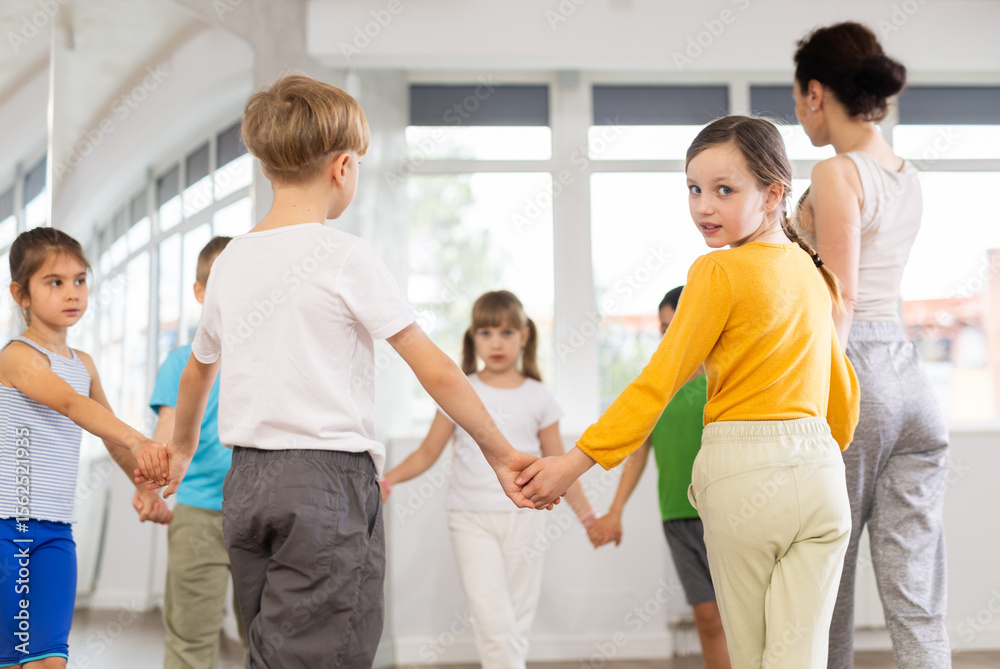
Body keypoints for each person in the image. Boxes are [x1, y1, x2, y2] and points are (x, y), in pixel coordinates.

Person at [138, 75, 539, 668]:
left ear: (267, 167)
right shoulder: (345, 256)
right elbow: (434, 368)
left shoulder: (231, 261)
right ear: (343, 168)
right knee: (323, 655)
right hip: (323, 482)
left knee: (271, 648)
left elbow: (199, 370)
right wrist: (501, 453)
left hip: (246, 485)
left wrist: (181, 447)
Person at [517, 115, 860, 668]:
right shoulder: (817, 275)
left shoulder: (717, 271)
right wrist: (819, 454)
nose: (704, 206)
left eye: (724, 190)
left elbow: (660, 380)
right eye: (694, 189)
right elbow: (839, 386)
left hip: (745, 474)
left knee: (751, 658)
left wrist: (573, 463)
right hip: (821, 477)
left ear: (773, 194)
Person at [791, 21, 952, 669]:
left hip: (856, 373)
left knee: (825, 576)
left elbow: (842, 297)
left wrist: (817, 392)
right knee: (916, 595)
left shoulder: (836, 172)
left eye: (797, 98)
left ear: (815, 93)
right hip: (912, 385)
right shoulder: (906, 174)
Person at [382, 290, 594, 669]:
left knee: (517, 616)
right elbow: (428, 452)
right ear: (473, 338)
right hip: (470, 518)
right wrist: (387, 480)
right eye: (486, 332)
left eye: (506, 332)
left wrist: (588, 518)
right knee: (491, 615)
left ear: (524, 336)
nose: (496, 343)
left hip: (526, 518)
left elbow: (563, 466)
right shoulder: (460, 391)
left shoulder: (539, 397)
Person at [0, 228, 169, 669]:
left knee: (50, 660)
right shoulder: (16, 356)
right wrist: (139, 438)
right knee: (13, 661)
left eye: (79, 280)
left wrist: (145, 487)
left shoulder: (84, 364)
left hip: (56, 531)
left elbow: (108, 435)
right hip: (7, 528)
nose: (72, 292)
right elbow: (72, 405)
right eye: (54, 282)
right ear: (21, 294)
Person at [589, 285, 730, 669]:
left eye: (678, 325)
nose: (671, 336)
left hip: (727, 515)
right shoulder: (657, 386)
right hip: (677, 517)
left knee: (741, 618)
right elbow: (637, 453)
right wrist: (614, 510)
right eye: (664, 328)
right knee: (708, 618)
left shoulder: (724, 378)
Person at [136, 236, 247, 668]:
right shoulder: (181, 360)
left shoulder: (269, 362)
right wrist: (148, 486)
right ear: (200, 292)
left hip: (263, 512)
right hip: (199, 516)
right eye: (222, 283)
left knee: (269, 638)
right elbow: (167, 428)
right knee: (191, 639)